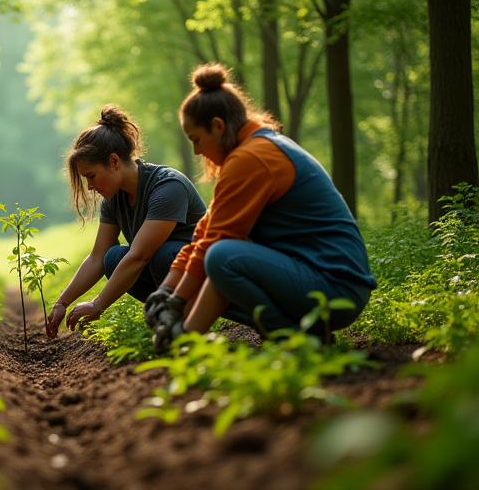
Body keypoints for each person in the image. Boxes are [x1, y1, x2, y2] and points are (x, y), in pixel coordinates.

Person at [145, 63, 377, 351]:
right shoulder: (252, 151)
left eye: (197, 140)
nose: (197, 151)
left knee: (224, 256)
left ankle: (295, 340)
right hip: (319, 280)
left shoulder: (252, 158)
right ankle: (190, 342)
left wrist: (178, 304)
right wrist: (167, 291)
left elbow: (216, 244)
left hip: (335, 287)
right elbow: (205, 232)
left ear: (217, 126)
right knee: (225, 256)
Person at [45, 105, 206, 338]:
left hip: (198, 273)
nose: (90, 186)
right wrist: (63, 301)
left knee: (162, 254)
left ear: (113, 161)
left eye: (91, 176)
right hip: (166, 273)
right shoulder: (114, 197)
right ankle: (162, 316)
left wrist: (98, 304)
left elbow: (139, 256)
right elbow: (97, 258)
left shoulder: (168, 186)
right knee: (112, 257)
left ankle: (187, 319)